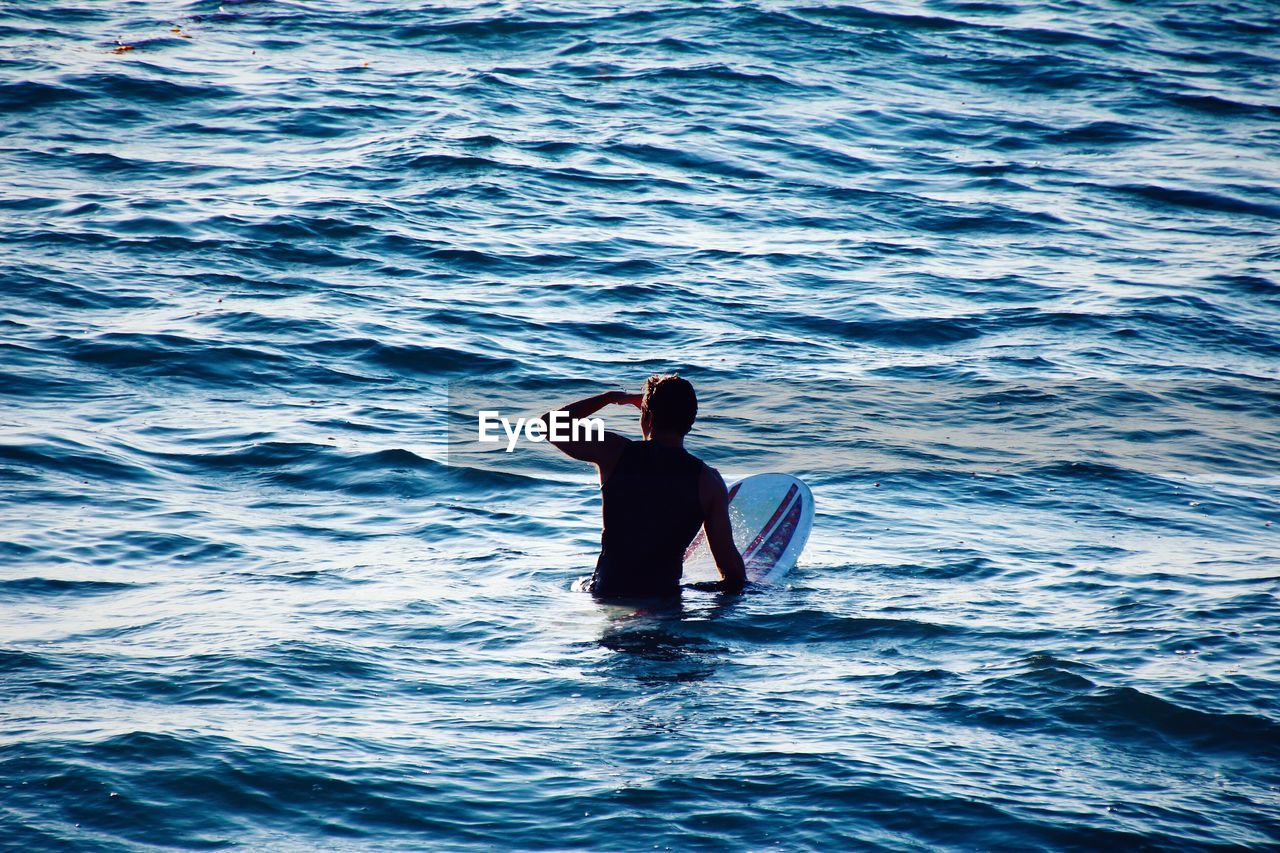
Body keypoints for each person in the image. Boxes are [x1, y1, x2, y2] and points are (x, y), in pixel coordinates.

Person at [540, 374, 746, 598]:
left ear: (646, 417)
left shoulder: (615, 453)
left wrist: (608, 398)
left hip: (607, 593)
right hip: (664, 601)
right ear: (690, 423)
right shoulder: (709, 481)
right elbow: (731, 572)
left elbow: (549, 424)